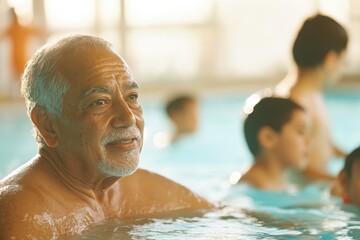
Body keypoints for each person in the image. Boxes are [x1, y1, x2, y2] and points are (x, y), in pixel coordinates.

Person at [0, 35, 213, 239]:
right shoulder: (21, 213)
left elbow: (222, 217)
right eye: (99, 101)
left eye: (131, 97)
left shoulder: (137, 191)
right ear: (48, 123)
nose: (128, 118)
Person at [274, 14, 348, 181]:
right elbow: (295, 168)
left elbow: (322, 141)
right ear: (330, 59)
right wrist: (343, 183)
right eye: (343, 61)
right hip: (305, 194)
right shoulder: (292, 104)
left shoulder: (312, 94)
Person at [238, 97, 310, 191]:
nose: (308, 141)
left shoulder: (279, 185)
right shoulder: (253, 185)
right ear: (268, 138)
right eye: (300, 132)